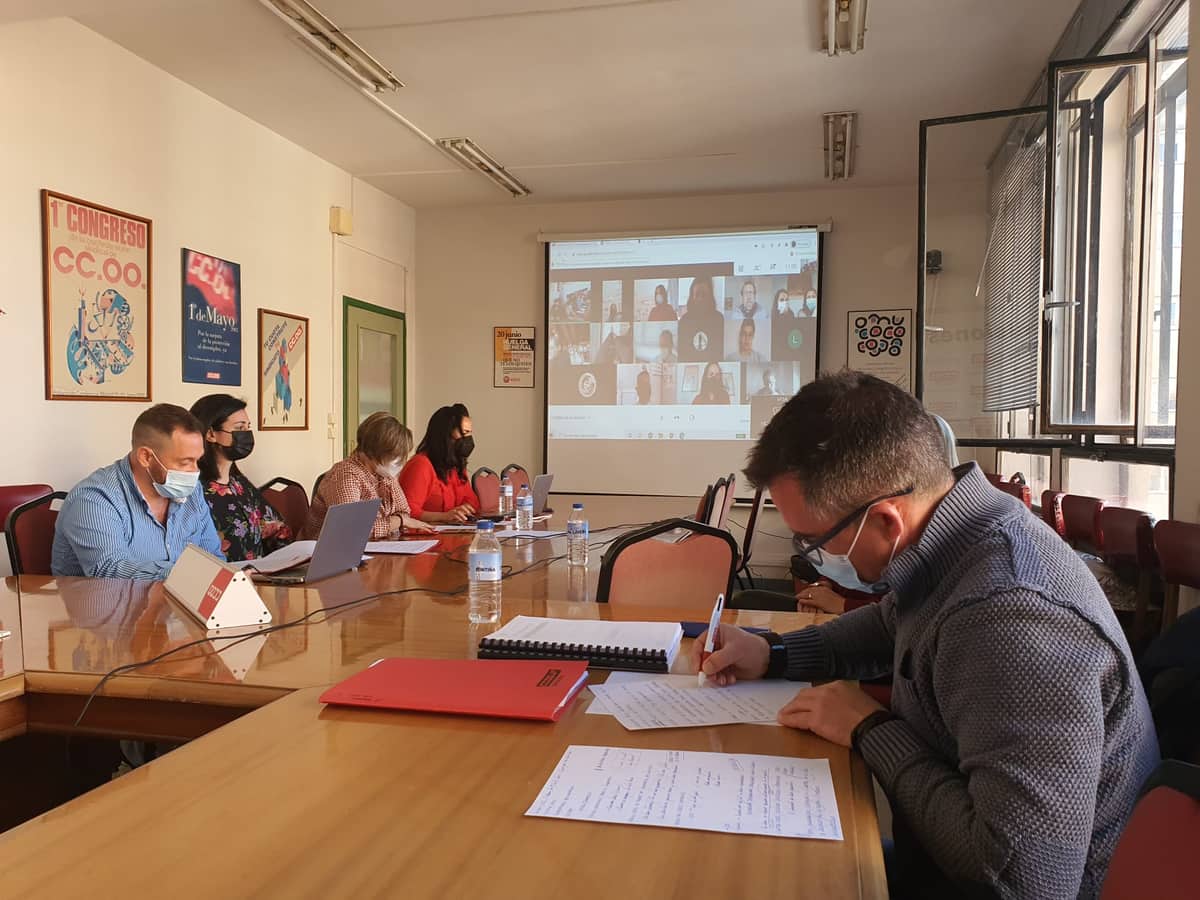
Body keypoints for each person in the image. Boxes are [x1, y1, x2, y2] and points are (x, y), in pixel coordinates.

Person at [694, 372, 1158, 900]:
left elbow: (1021, 881)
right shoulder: (959, 536)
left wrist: (870, 729)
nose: (808, 556)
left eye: (812, 540)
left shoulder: (1011, 619)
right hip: (935, 861)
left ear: (887, 522)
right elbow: (891, 622)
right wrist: (773, 652)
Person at [52, 404, 223, 578]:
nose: (194, 471)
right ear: (146, 457)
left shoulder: (192, 492)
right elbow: (110, 571)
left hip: (175, 602)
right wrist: (186, 576)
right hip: (104, 603)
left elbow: (213, 558)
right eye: (185, 462)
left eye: (197, 461)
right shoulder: (94, 498)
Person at [189, 393, 292, 562]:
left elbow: (274, 528)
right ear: (211, 434)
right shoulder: (194, 490)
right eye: (239, 428)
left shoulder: (240, 485)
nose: (246, 434)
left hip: (259, 578)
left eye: (248, 427)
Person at [307, 412, 429, 539]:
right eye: (394, 456)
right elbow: (350, 531)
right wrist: (398, 521)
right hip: (327, 552)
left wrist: (399, 520)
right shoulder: (346, 475)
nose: (399, 462)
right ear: (376, 450)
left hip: (375, 545)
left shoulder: (383, 474)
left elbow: (404, 512)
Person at [399, 404, 480, 524]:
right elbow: (407, 512)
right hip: (425, 537)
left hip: (454, 534)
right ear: (446, 434)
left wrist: (464, 510)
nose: (468, 439)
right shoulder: (420, 465)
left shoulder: (455, 466)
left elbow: (473, 502)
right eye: (464, 432)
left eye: (469, 433)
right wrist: (444, 516)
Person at [678, 277, 724, 362]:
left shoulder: (719, 319)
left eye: (704, 294)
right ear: (692, 296)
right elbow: (681, 354)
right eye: (697, 294)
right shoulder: (684, 321)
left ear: (710, 296)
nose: (700, 298)